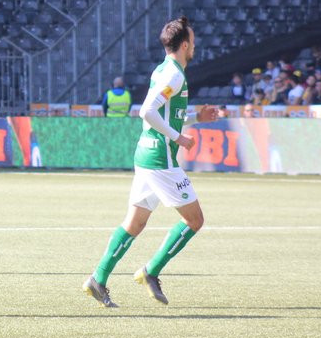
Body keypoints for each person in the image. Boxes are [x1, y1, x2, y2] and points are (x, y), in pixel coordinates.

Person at [83, 17, 219, 308]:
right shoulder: (174, 75)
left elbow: (164, 113)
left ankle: (98, 278)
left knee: (134, 223)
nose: (194, 46)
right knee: (194, 220)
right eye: (192, 41)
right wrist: (178, 138)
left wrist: (196, 118)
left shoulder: (163, 70)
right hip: (160, 159)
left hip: (146, 155)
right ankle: (150, 272)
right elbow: (147, 111)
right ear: (184, 45)